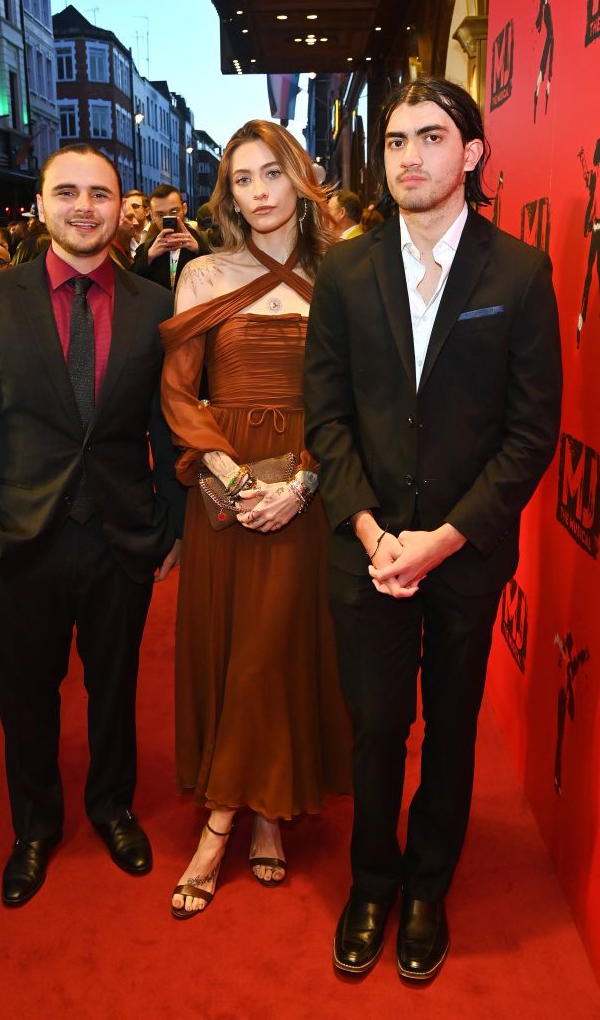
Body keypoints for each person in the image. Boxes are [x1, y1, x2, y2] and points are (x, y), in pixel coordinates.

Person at [304, 78, 562, 981]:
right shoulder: (342, 269)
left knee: (450, 728)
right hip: (364, 551)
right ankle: (370, 881)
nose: (408, 156)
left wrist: (444, 538)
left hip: (461, 557)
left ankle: (425, 888)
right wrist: (374, 534)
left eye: (430, 137)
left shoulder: (519, 275)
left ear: (472, 155)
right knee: (376, 728)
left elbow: (530, 434)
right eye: (394, 141)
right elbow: (325, 418)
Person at [0, 144, 186, 908]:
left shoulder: (153, 304)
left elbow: (168, 425)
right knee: (25, 695)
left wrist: (170, 524)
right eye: (68, 192)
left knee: (114, 687)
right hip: (15, 539)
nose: (85, 207)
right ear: (43, 204)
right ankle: (35, 827)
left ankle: (112, 807)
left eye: (101, 194)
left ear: (120, 208)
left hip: (120, 534)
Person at [160, 120, 351, 920]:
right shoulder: (202, 274)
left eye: (271, 173)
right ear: (227, 193)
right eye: (242, 179)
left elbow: (351, 397)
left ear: (299, 176)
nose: (259, 191)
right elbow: (176, 392)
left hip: (306, 486)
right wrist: (229, 474)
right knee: (235, 646)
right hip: (226, 490)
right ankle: (257, 812)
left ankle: (236, 816)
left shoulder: (340, 273)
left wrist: (301, 483)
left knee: (273, 648)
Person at [132, 184, 208, 291]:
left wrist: (199, 250)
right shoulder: (145, 249)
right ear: (152, 216)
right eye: (160, 215)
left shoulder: (204, 241)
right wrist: (149, 257)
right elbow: (132, 283)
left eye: (174, 212)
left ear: (184, 209)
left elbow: (218, 275)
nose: (168, 218)